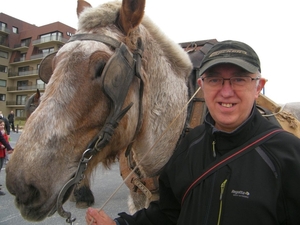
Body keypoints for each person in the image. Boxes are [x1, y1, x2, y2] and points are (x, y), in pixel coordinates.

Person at [85, 40, 300, 225]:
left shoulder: (287, 154)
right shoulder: (189, 146)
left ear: (258, 87)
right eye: (215, 79)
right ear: (201, 85)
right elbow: (168, 215)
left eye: (239, 79)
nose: (226, 92)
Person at [0, 119, 13, 196]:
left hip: (2, 153)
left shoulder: (4, 132)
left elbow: (4, 139)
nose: (2, 126)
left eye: (3, 125)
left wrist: (9, 147)